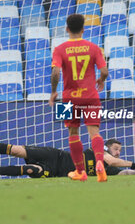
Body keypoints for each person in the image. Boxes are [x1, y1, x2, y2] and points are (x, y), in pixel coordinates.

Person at [49, 14, 109, 182]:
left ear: (67, 29)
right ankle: (99, 163)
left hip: (68, 99)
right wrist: (101, 80)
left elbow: (55, 72)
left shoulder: (59, 49)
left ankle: (80, 172)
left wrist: (54, 91)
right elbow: (104, 71)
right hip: (91, 97)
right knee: (94, 132)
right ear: (83, 30)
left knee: (72, 133)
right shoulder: (94, 47)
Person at [0, 138, 135, 180]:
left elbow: (124, 170)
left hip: (55, 172)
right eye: (116, 149)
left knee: (30, 170)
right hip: (55, 155)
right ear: (107, 147)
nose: (118, 153)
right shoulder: (98, 150)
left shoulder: (112, 171)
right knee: (16, 150)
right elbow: (111, 160)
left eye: (120, 150)